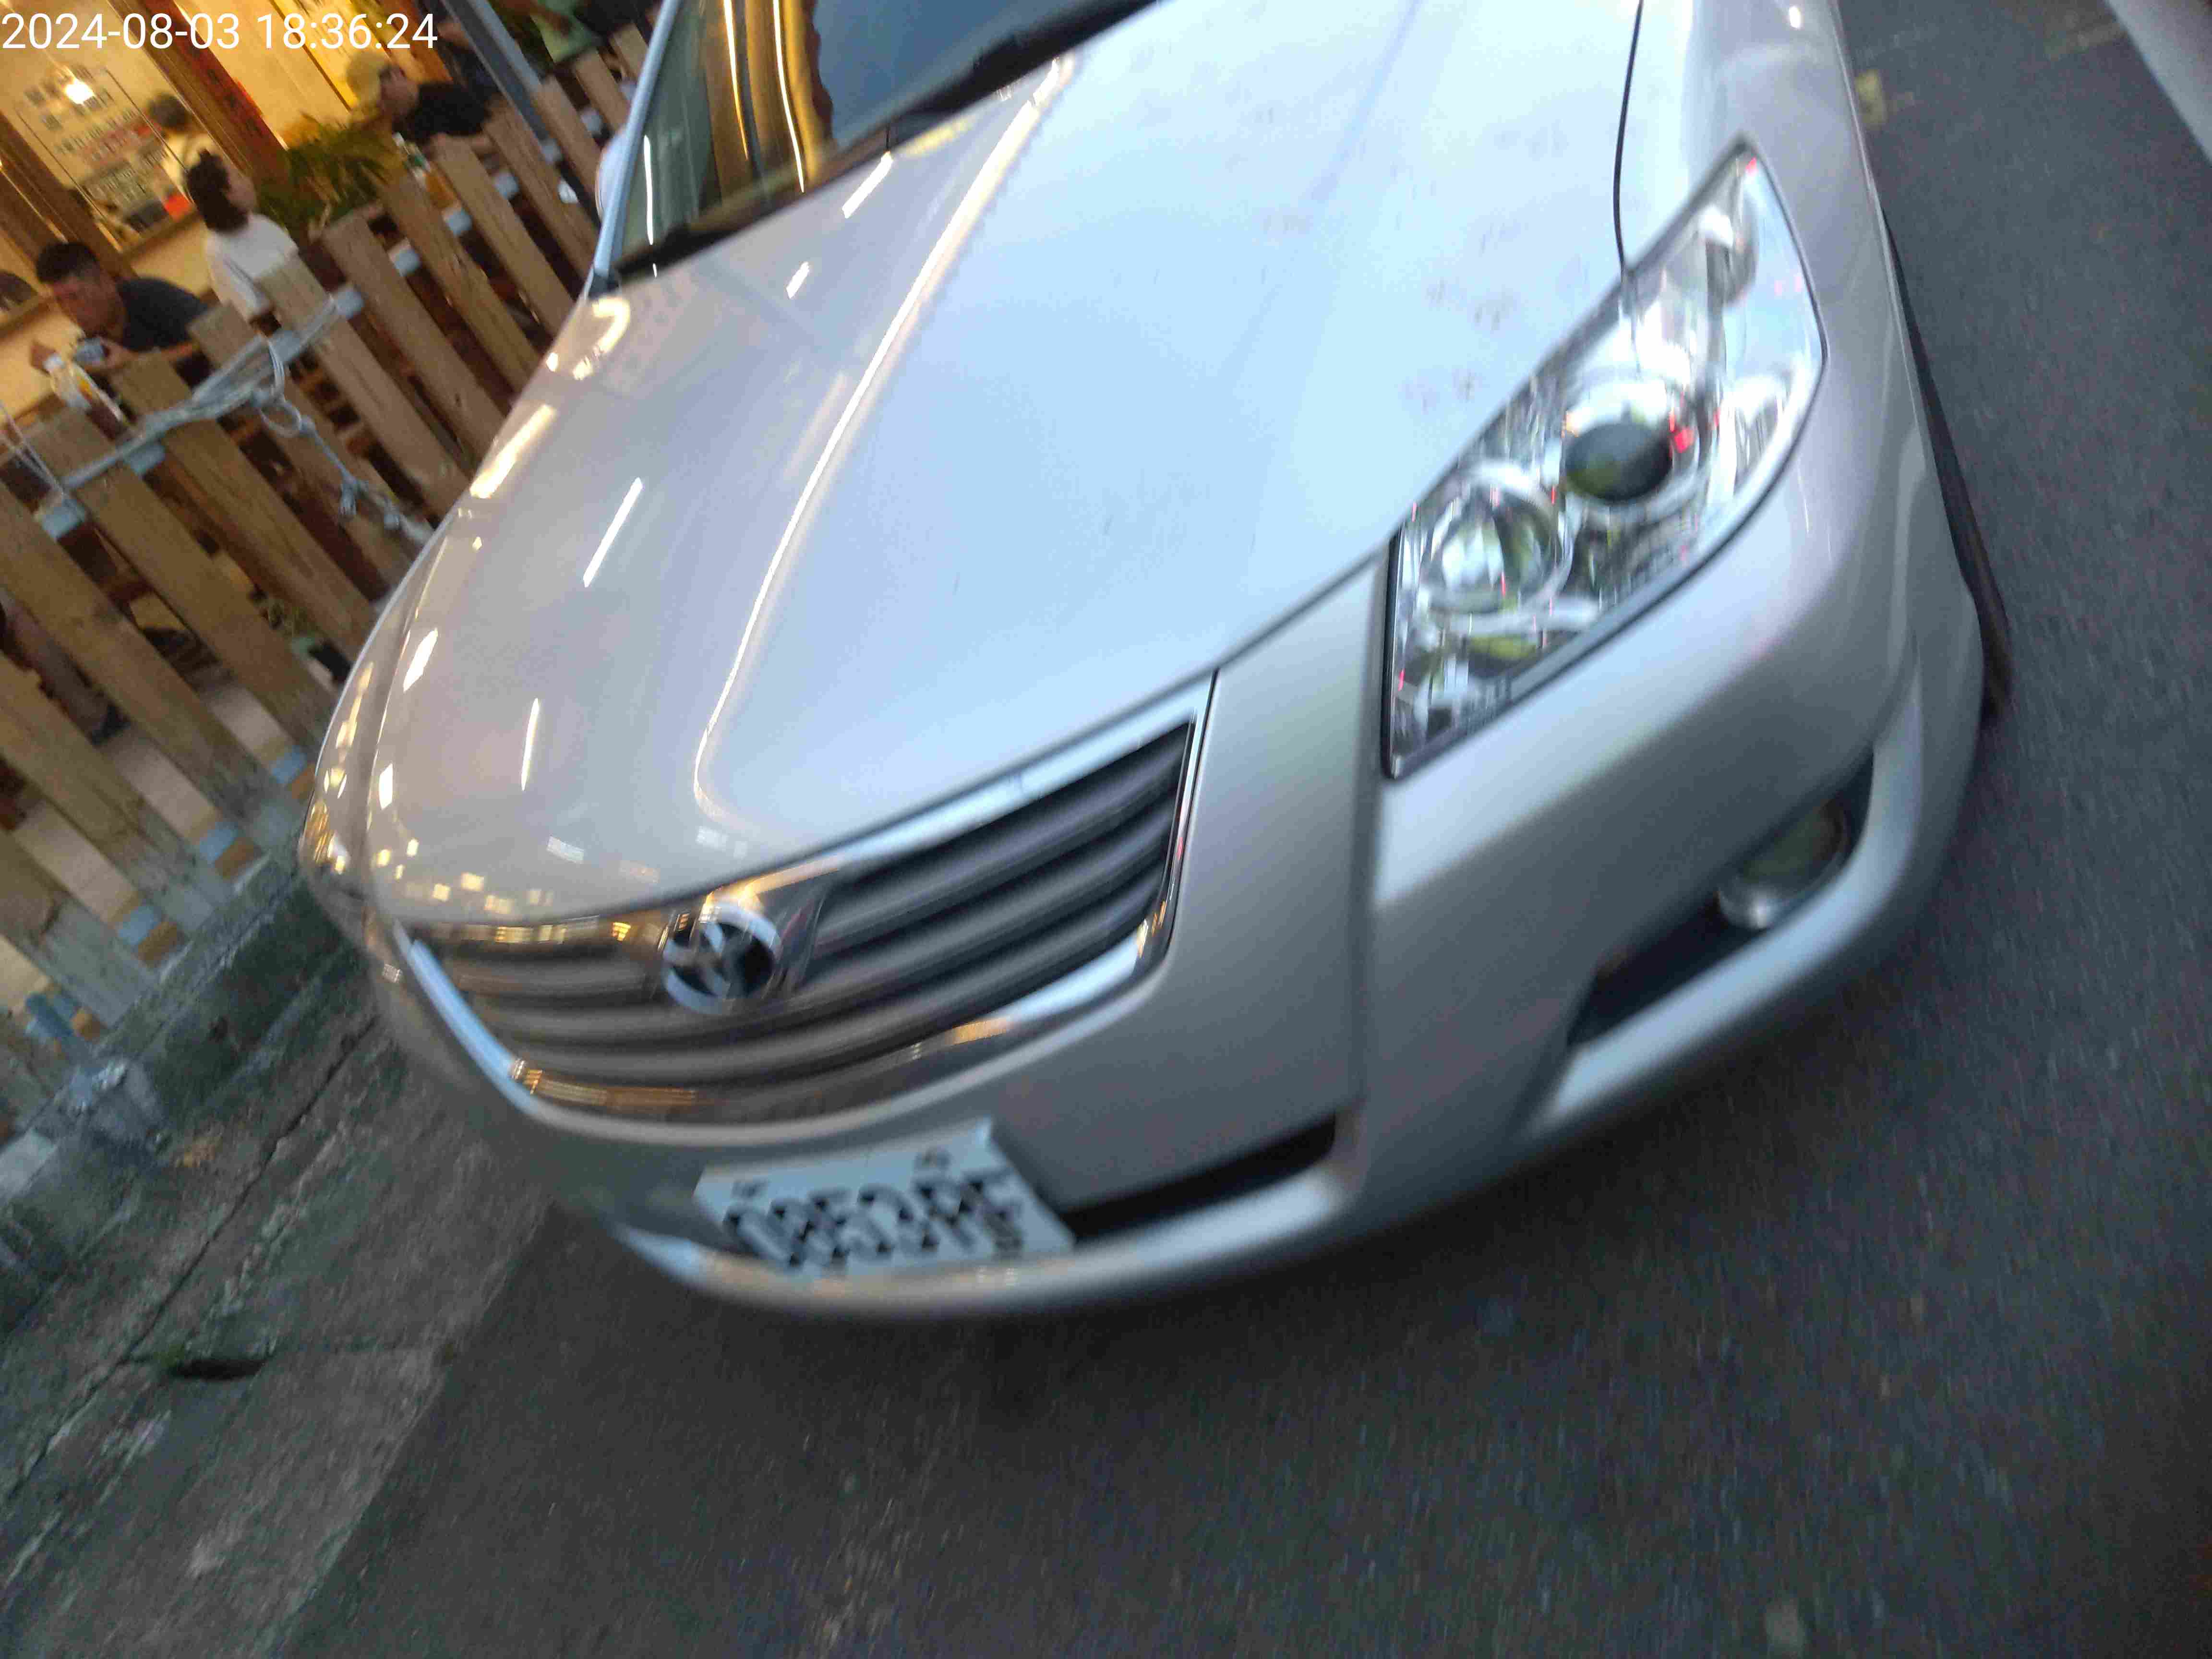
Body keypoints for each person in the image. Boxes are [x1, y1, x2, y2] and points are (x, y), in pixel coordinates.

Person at [21, 242, 208, 374]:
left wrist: (136, 362)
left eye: (75, 297)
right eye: (58, 302)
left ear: (105, 282)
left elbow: (217, 332)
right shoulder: (91, 345)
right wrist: (59, 370)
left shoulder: (150, 294)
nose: (70, 310)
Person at [182, 151, 297, 319]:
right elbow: (253, 317)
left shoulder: (260, 223)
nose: (249, 181)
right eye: (239, 176)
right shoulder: (217, 252)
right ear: (226, 194)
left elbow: (299, 267)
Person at [346, 53, 495, 154]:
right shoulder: (399, 130)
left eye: (383, 95)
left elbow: (499, 140)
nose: (384, 108)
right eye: (376, 104)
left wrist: (459, 145)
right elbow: (421, 173)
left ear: (395, 74)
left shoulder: (446, 94)